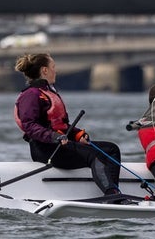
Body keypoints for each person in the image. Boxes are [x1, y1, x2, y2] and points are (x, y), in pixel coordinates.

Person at [13, 53, 131, 203]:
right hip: (46, 149)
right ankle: (111, 194)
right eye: (53, 67)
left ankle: (113, 191)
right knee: (94, 155)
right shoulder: (30, 95)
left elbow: (62, 125)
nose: (55, 70)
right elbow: (29, 125)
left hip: (62, 145)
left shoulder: (49, 93)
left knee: (111, 150)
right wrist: (54, 137)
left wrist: (77, 134)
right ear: (44, 70)